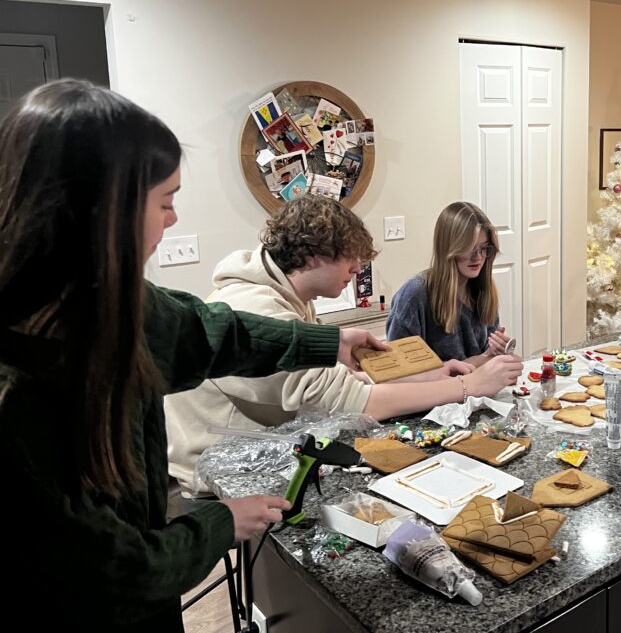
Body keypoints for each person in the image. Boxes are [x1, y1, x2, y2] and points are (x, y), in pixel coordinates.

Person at [0, 79, 384, 630]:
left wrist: (327, 341)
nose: (173, 219)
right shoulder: (18, 395)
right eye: (165, 202)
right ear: (98, 210)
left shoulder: (113, 301)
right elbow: (117, 571)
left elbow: (212, 333)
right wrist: (219, 524)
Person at [165, 196, 524, 492]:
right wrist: (468, 385)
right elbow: (354, 401)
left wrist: (428, 375)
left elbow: (339, 381)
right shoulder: (257, 307)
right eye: (349, 257)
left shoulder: (293, 299)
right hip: (225, 471)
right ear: (312, 256)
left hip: (269, 446)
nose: (357, 268)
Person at [388, 202, 512, 363]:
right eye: (469, 248)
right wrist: (482, 360)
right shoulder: (415, 294)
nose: (478, 257)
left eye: (483, 248)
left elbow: (486, 358)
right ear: (448, 248)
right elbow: (401, 369)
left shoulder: (483, 290)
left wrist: (496, 352)